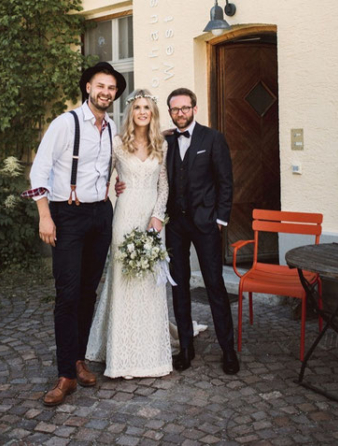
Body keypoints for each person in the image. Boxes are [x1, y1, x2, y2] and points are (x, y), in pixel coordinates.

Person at [116, 88, 240, 375]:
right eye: (175, 109)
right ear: (170, 112)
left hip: (206, 224)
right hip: (175, 226)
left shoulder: (213, 138)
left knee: (214, 286)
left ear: (194, 109)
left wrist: (221, 220)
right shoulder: (166, 141)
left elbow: (226, 182)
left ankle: (228, 350)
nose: (180, 113)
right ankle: (185, 347)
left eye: (185, 108)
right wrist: (120, 185)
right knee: (179, 286)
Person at [25, 62, 126, 406]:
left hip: (100, 213)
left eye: (111, 88)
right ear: (88, 87)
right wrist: (45, 216)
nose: (106, 92)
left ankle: (79, 360)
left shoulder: (112, 126)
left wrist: (120, 182)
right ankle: (66, 374)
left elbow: (111, 167)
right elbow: (38, 170)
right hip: (67, 213)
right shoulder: (65, 123)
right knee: (67, 294)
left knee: (88, 292)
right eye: (101, 85)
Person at [86, 89, 172, 379]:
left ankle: (151, 354)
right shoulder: (117, 144)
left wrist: (158, 216)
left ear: (153, 112)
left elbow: (165, 186)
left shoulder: (161, 144)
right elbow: (102, 178)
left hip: (151, 218)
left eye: (147, 107)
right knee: (123, 279)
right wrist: (112, 192)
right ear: (131, 113)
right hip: (124, 217)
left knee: (149, 283)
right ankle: (121, 356)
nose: (142, 112)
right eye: (137, 107)